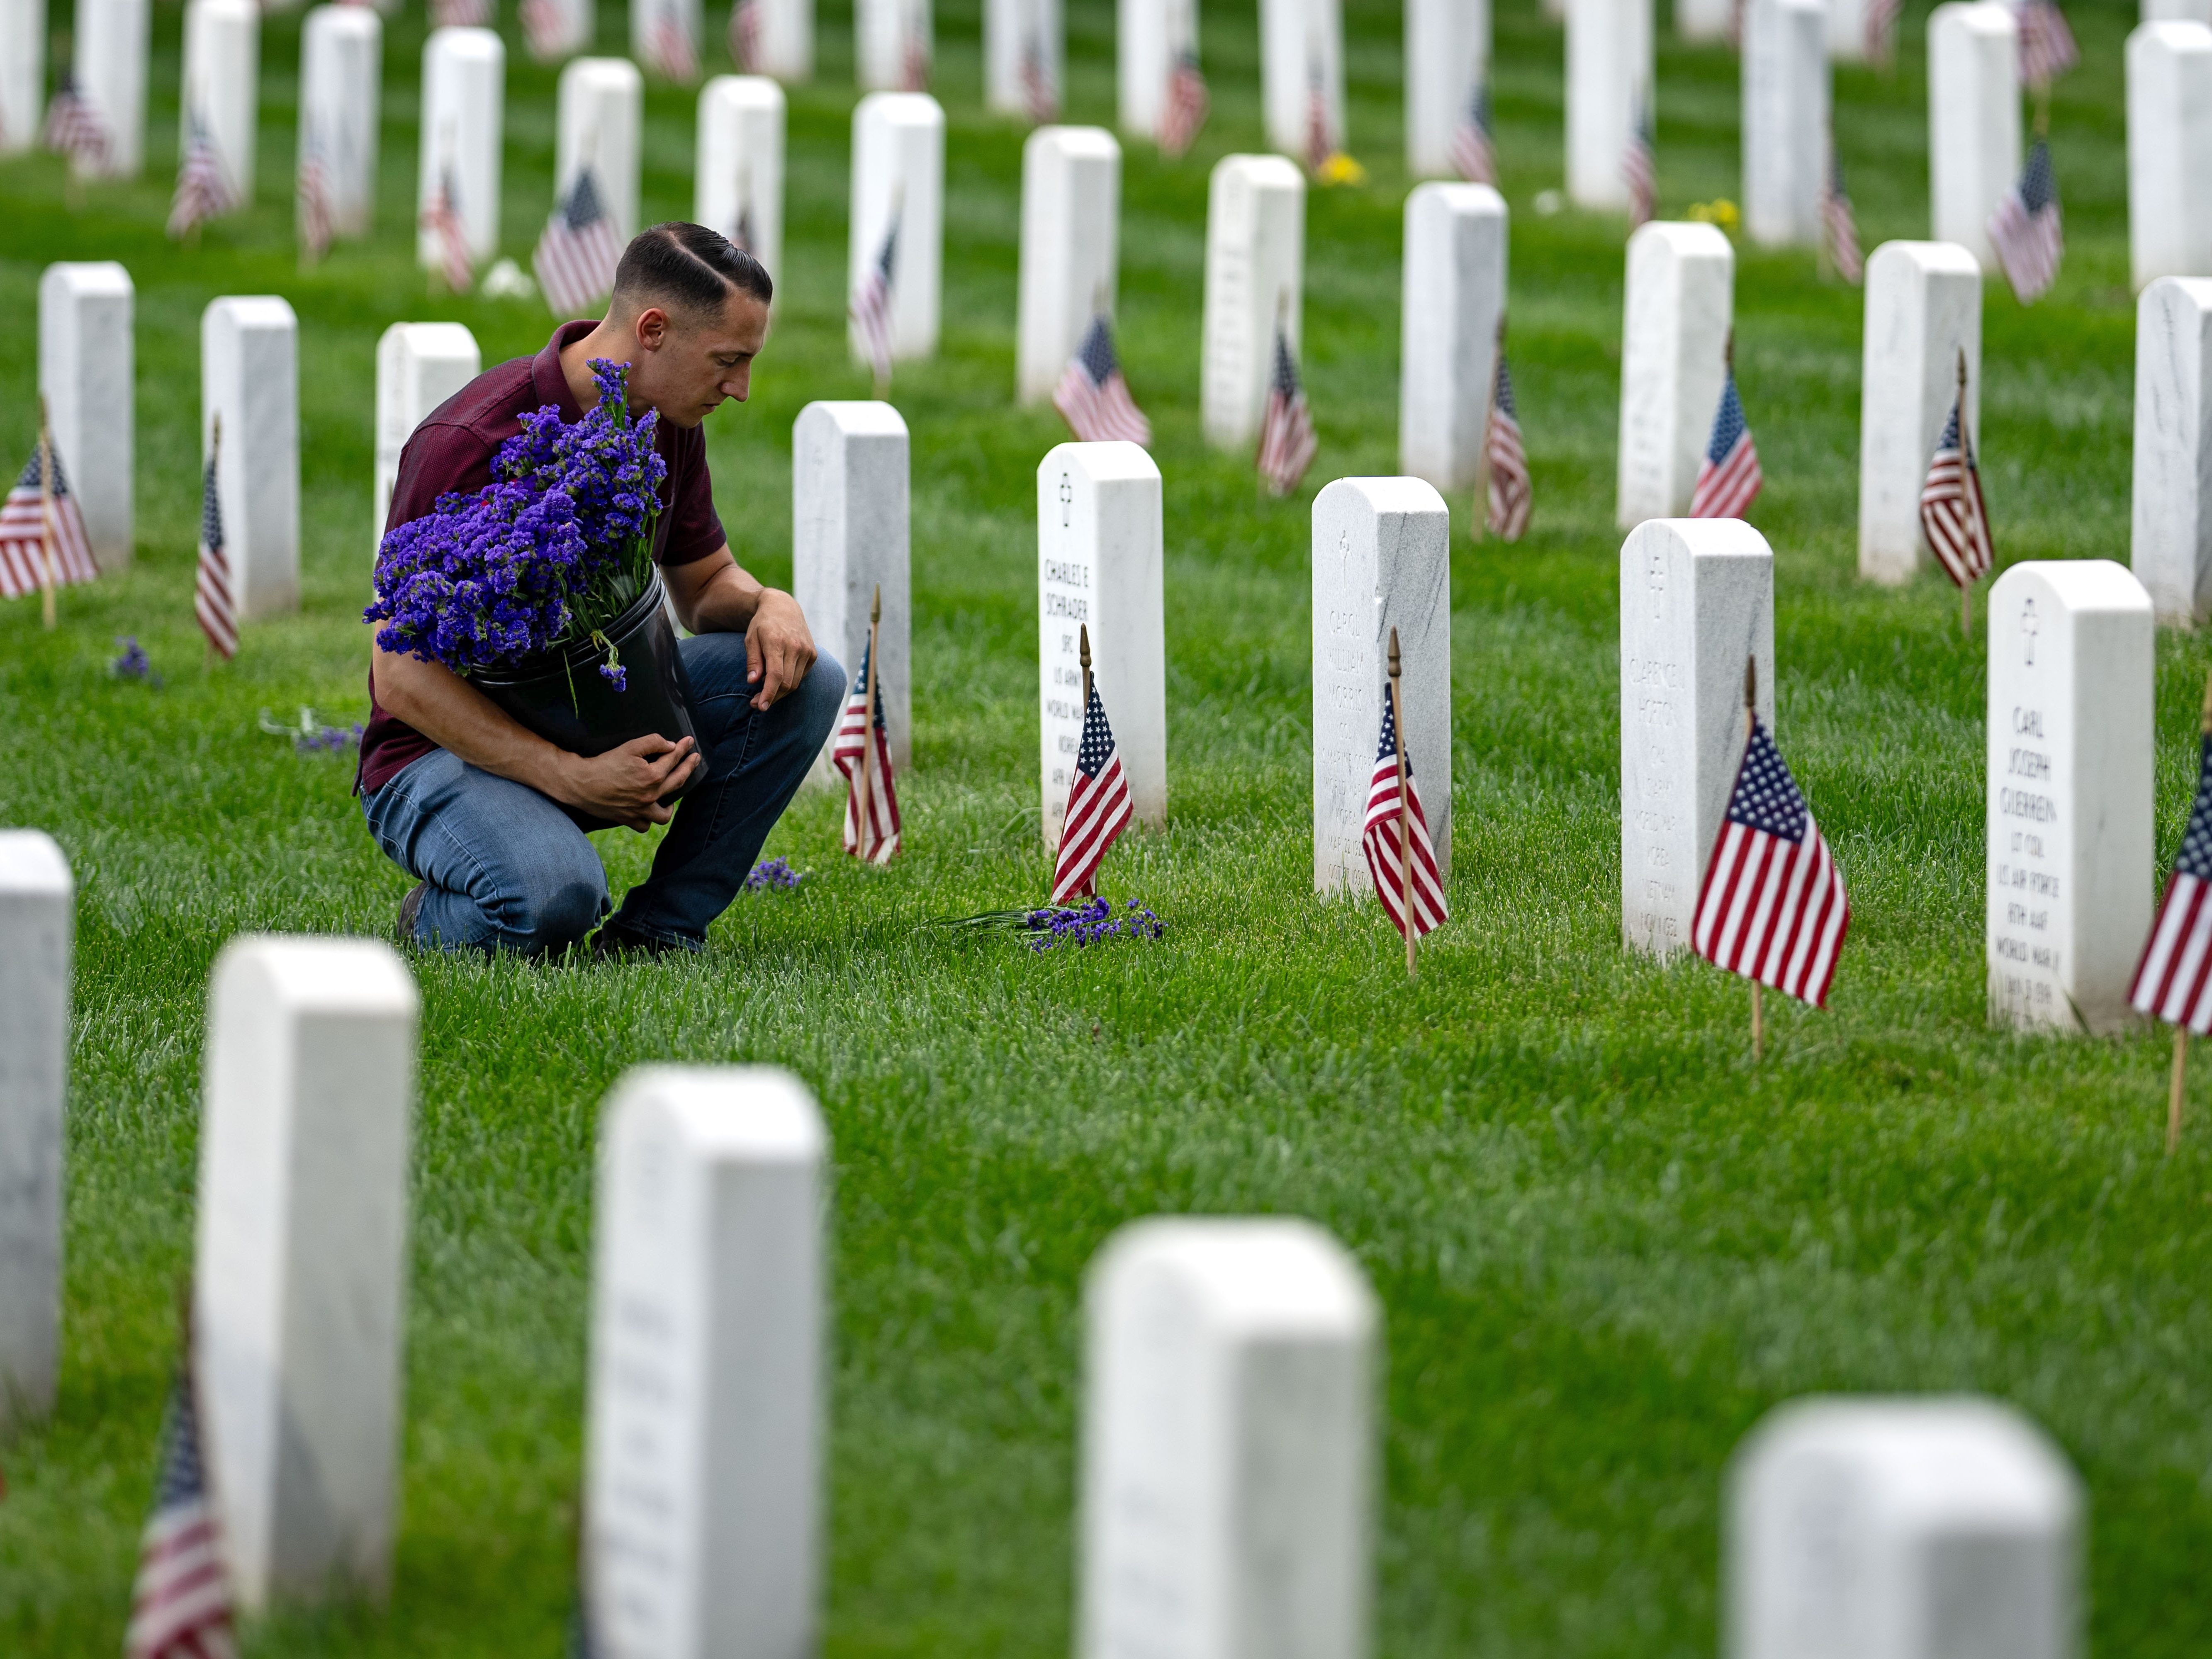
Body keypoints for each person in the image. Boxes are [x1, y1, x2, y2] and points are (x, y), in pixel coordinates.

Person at [356, 222, 843, 958]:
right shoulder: (472, 440)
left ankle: (658, 932)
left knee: (806, 683)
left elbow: (705, 587)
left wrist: (770, 602)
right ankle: (433, 915)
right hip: (438, 755)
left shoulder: (660, 417)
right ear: (653, 329)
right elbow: (399, 674)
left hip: (598, 720)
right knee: (554, 903)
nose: (740, 390)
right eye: (729, 361)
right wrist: (570, 777)